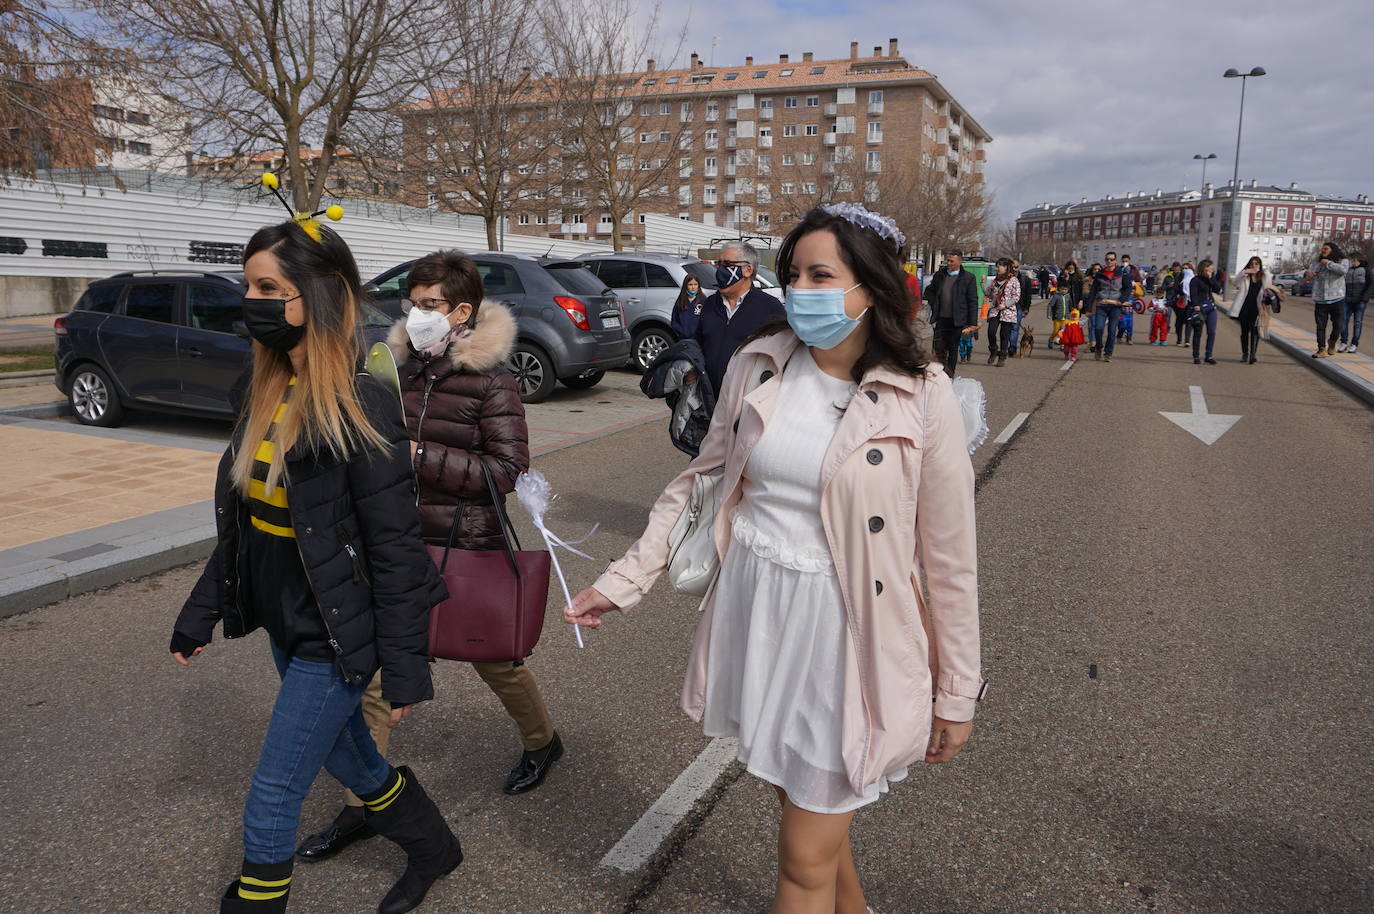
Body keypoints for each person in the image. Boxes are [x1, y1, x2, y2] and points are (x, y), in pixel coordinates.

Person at [565, 203, 982, 914]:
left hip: (846, 637)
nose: (802, 290)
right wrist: (625, 578)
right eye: (793, 274)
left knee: (802, 857)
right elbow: (702, 483)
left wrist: (957, 691)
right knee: (804, 813)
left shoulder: (923, 395)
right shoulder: (761, 362)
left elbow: (949, 557)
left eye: (823, 274)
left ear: (873, 287)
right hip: (758, 615)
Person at [170, 219, 460, 914]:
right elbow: (246, 528)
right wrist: (199, 615)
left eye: (269, 287)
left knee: (274, 791)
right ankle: (433, 846)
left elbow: (394, 548)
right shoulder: (262, 386)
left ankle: (258, 900)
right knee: (350, 755)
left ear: (321, 296)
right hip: (284, 615)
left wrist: (406, 669)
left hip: (336, 629)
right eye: (248, 286)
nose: (251, 300)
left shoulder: (363, 402)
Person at [296, 250, 564, 869]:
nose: (415, 314)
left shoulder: (493, 381)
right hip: (396, 547)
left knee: (495, 662)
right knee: (375, 678)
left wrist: (415, 457)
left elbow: (505, 470)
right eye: (411, 303)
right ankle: (362, 804)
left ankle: (543, 742)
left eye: (429, 305)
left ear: (462, 312)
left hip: (466, 544)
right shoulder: (394, 373)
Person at [692, 241, 786, 396]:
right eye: (718, 264)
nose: (720, 270)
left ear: (748, 269)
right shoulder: (709, 304)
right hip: (707, 398)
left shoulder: (770, 308)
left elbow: (782, 357)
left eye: (727, 264)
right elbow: (698, 342)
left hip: (746, 401)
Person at [923, 249, 980, 377]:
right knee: (938, 348)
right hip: (941, 318)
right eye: (947, 260)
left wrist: (972, 323)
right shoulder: (940, 275)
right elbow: (929, 291)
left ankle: (950, 375)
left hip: (957, 319)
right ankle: (939, 374)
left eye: (951, 261)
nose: (948, 263)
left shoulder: (968, 278)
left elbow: (972, 300)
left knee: (953, 348)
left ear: (959, 262)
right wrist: (934, 302)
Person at [1228, 256, 1281, 364]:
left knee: (1255, 331)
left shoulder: (1264, 276)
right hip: (1244, 307)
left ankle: (1253, 355)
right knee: (1244, 332)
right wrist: (1244, 272)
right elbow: (1234, 283)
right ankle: (1245, 354)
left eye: (1256, 264)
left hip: (1257, 308)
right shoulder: (1245, 276)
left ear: (1260, 265)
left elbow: (1269, 288)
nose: (1254, 266)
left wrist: (1266, 274)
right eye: (1252, 264)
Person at [1305, 242, 1349, 357]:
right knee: (1320, 326)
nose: (1323, 251)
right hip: (1320, 300)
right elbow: (1309, 273)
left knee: (1339, 325)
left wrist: (1328, 263)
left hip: (1337, 299)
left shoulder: (1342, 260)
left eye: (1326, 249)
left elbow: (1343, 270)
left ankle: (1332, 341)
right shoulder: (1317, 262)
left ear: (1332, 250)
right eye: (1322, 249)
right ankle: (1321, 349)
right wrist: (1307, 273)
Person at [1086, 252, 1131, 362]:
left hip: (1115, 306)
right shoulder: (1100, 274)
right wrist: (1088, 308)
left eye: (1111, 259)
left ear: (1115, 261)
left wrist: (1120, 301)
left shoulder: (1122, 273)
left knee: (1112, 330)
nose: (1109, 261)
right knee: (1098, 328)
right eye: (1107, 259)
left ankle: (1108, 353)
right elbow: (1093, 291)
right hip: (1102, 304)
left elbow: (1128, 288)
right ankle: (1098, 348)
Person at [986, 257, 1021, 367]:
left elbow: (1016, 297)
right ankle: (993, 350)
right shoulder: (995, 280)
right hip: (995, 310)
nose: (997, 269)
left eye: (999, 266)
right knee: (991, 332)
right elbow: (989, 295)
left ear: (1005, 267)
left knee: (1004, 335)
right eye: (997, 267)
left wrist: (1005, 304)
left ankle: (1002, 356)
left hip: (1008, 311)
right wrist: (984, 284)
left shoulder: (1013, 280)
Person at [1188, 258, 1224, 365]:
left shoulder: (1210, 279)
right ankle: (1196, 356)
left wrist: (1211, 278)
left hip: (1211, 308)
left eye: (1212, 270)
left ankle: (1209, 355)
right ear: (1204, 269)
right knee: (1198, 332)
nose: (1211, 271)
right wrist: (1196, 305)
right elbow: (1193, 295)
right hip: (1199, 308)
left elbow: (1218, 290)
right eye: (1210, 270)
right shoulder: (1195, 280)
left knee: (1211, 332)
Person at [1338, 252, 1371, 354]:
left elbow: (1370, 285)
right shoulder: (1348, 270)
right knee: (1343, 321)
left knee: (1357, 323)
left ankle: (1354, 344)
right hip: (1347, 300)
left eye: (1350, 259)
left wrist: (1364, 299)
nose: (1349, 261)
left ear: (1355, 259)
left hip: (1360, 301)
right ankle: (1343, 342)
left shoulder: (1366, 270)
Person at [669, 273, 706, 341]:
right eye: (690, 284)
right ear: (686, 286)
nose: (693, 287)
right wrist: (682, 331)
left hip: (698, 340)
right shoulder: (680, 301)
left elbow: (706, 321)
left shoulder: (703, 300)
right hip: (683, 339)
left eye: (695, 284)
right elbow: (674, 321)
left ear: (698, 285)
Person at [1174, 262, 1196, 346]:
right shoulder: (1179, 277)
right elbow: (1176, 288)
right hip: (1180, 302)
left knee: (1189, 321)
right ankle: (1179, 339)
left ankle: (1187, 340)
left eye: (1187, 268)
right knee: (1179, 322)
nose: (1185, 270)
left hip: (1190, 303)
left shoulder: (1194, 278)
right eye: (1183, 268)